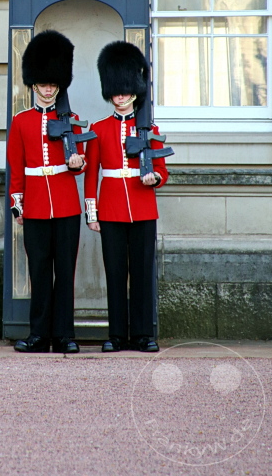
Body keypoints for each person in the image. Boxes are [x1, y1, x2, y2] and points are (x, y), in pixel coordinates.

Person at [84, 40, 168, 353]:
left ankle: (144, 334)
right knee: (116, 274)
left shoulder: (149, 127)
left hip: (143, 208)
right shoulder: (99, 128)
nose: (120, 97)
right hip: (110, 210)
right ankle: (117, 335)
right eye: (116, 92)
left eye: (125, 91)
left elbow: (162, 169)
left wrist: (154, 177)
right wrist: (92, 212)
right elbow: (92, 173)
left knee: (142, 275)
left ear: (134, 91)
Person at [7, 30, 86, 354]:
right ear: (34, 84)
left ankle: (64, 334)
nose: (48, 88)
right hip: (36, 207)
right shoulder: (22, 121)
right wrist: (18, 205)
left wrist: (78, 162)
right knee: (39, 273)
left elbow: (83, 163)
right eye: (43, 83)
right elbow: (16, 168)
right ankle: (39, 334)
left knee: (64, 273)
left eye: (53, 83)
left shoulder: (73, 120)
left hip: (66, 206)